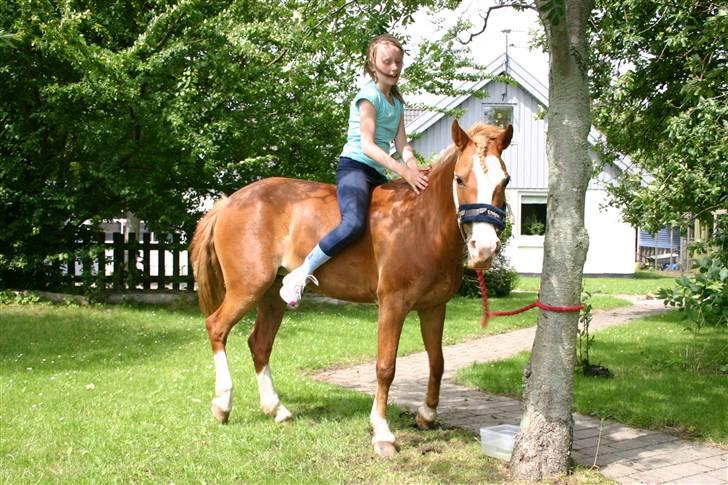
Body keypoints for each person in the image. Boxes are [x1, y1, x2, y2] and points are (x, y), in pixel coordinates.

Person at [279, 33, 429, 308]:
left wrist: (415, 170)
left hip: (378, 174)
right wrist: (404, 172)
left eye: (398, 62)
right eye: (387, 62)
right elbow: (369, 146)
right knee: (354, 223)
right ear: (373, 65)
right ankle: (302, 272)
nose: (394, 68)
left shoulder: (396, 102)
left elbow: (402, 143)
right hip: (356, 168)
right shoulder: (369, 97)